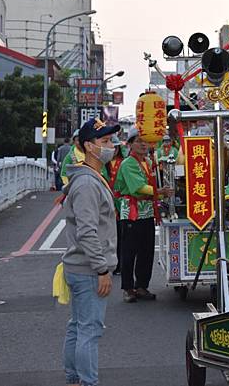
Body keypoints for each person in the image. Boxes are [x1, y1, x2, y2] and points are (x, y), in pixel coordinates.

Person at [61, 117, 120, 386]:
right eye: (104, 141)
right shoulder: (87, 184)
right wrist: (102, 269)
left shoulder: (91, 178)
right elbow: (87, 232)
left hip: (81, 266)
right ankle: (87, 381)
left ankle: (74, 378)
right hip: (88, 269)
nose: (111, 146)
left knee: (78, 326)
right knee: (89, 329)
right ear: (89, 146)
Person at [114, 127, 173, 302]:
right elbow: (137, 188)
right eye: (138, 141)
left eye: (145, 141)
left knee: (146, 251)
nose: (143, 144)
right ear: (130, 145)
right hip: (131, 212)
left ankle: (141, 286)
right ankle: (128, 288)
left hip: (146, 211)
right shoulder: (128, 163)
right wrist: (161, 192)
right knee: (129, 252)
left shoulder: (147, 161)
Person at [107, 135, 126, 275]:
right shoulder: (102, 164)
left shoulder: (123, 163)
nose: (113, 150)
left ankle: (119, 264)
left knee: (120, 236)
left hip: (120, 204)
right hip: (106, 204)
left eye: (116, 147)